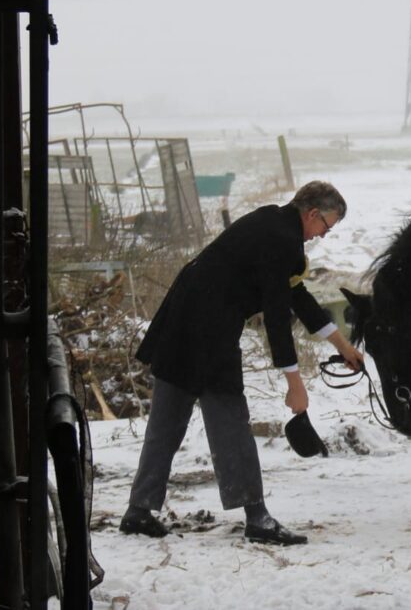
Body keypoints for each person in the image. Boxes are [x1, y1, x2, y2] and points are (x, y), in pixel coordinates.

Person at [119, 181, 363, 545]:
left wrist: (342, 344)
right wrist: (295, 384)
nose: (323, 235)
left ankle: (139, 510)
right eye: (326, 226)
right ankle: (257, 518)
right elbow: (278, 318)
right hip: (208, 327)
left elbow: (295, 294)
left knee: (167, 418)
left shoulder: (274, 224)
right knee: (230, 418)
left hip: (182, 317)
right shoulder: (281, 240)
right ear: (312, 214)